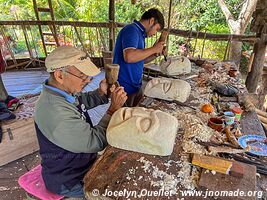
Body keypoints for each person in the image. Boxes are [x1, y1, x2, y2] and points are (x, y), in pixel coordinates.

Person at [34, 46, 127, 198]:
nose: (88, 80)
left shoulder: (61, 92)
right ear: (60, 75)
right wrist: (112, 110)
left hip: (79, 164)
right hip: (69, 179)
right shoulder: (55, 112)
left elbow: (79, 101)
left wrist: (101, 93)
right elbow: (95, 141)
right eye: (83, 76)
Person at [113, 8, 165, 107]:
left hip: (135, 85)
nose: (155, 34)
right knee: (123, 119)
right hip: (124, 86)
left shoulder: (140, 34)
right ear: (152, 21)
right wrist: (154, 48)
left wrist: (156, 53)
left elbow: (141, 60)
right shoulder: (132, 30)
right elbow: (129, 57)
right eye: (156, 29)